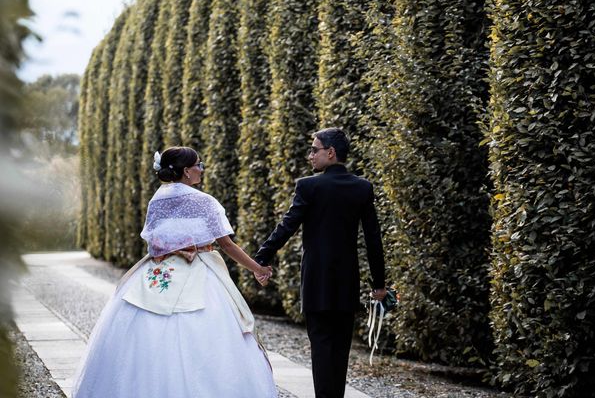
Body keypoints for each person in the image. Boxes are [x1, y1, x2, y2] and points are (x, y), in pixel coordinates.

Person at [72, 146, 277, 398]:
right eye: (199, 165)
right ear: (187, 172)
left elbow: (152, 243)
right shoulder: (205, 201)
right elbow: (226, 245)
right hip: (199, 268)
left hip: (159, 269)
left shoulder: (157, 200)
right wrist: (258, 268)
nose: (201, 169)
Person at [254, 127, 386, 398]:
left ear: (331, 152)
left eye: (314, 149)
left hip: (316, 281)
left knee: (321, 349)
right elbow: (374, 239)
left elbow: (286, 227)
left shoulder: (309, 186)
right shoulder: (362, 188)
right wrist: (379, 284)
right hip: (347, 281)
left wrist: (261, 259)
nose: (310, 155)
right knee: (340, 352)